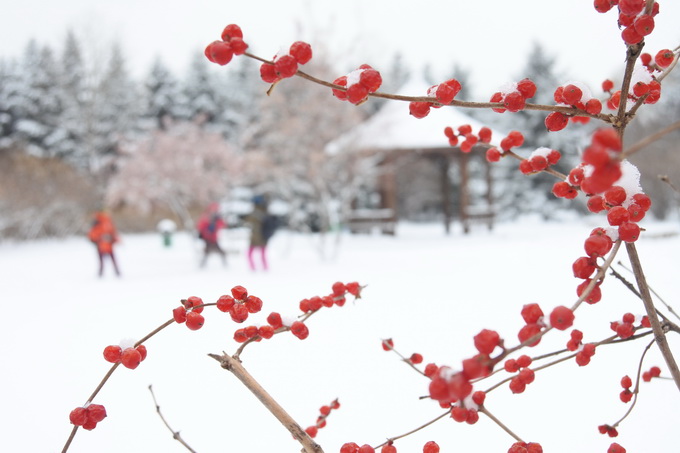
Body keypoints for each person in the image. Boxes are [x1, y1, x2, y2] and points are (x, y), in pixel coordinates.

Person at [245, 195, 277, 271]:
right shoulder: (265, 212)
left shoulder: (256, 213)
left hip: (258, 237)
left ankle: (255, 269)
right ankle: (264, 268)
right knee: (262, 254)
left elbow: (249, 221)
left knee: (251, 254)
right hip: (263, 237)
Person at [88, 210, 121, 277]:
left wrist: (113, 239)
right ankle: (104, 272)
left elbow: (113, 232)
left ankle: (110, 272)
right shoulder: (101, 222)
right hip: (102, 245)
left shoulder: (106, 222)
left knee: (107, 259)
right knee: (106, 259)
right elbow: (93, 234)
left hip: (106, 245)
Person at [196, 203, 227, 267]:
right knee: (208, 252)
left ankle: (225, 264)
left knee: (209, 252)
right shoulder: (206, 216)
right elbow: (201, 226)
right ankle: (202, 265)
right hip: (207, 238)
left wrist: (218, 220)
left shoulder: (218, 218)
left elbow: (222, 225)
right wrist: (207, 230)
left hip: (214, 238)